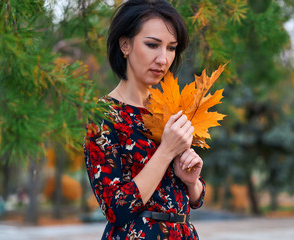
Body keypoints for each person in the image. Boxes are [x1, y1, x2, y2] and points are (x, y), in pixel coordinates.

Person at [84, 0, 206, 239]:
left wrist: (192, 183)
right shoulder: (104, 115)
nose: (164, 59)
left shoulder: (170, 107)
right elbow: (115, 209)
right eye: (152, 45)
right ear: (125, 44)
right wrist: (166, 151)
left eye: (171, 48)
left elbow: (194, 198)